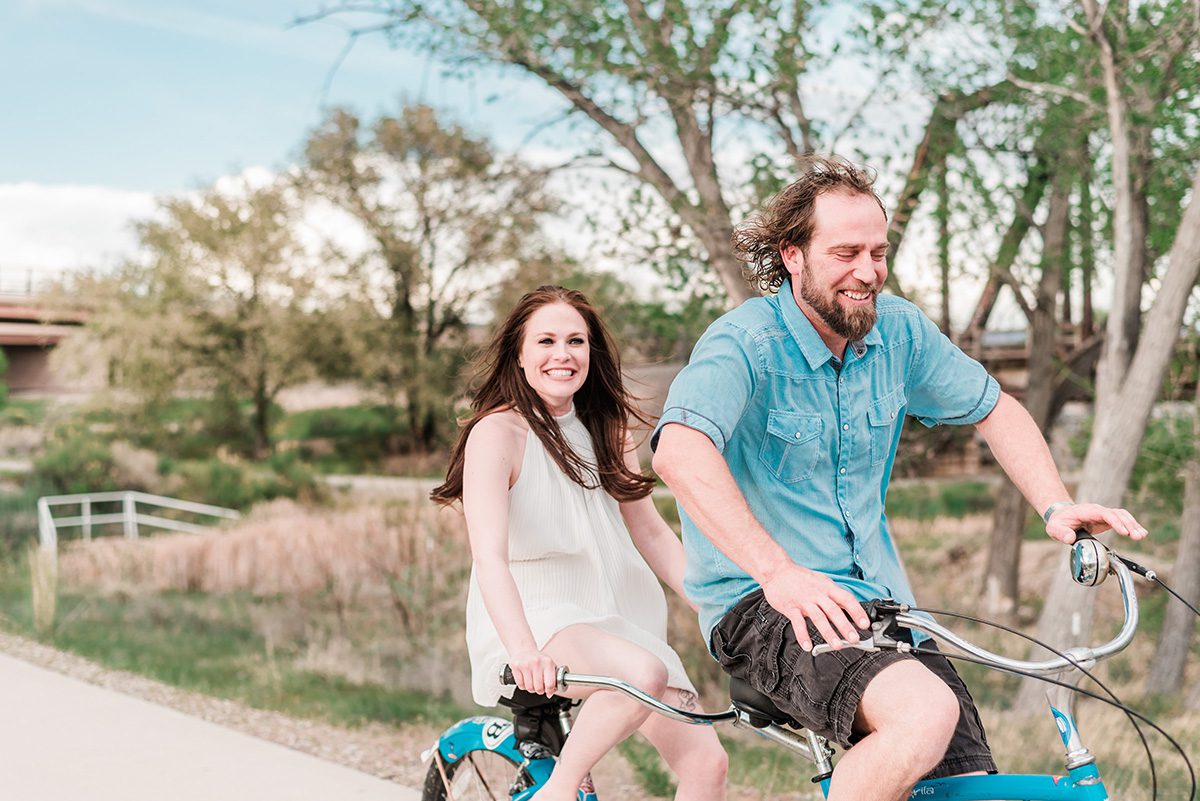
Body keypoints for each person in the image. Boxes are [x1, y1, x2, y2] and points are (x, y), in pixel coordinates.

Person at [651, 156, 1147, 801]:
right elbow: (679, 453)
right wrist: (778, 572)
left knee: (964, 787)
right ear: (793, 255)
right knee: (924, 715)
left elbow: (996, 408)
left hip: (880, 604)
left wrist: (1055, 505)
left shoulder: (900, 332)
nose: (867, 271)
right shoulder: (743, 344)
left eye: (877, 252)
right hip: (765, 603)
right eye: (845, 252)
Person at [431, 285, 727, 801]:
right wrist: (523, 650)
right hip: (541, 620)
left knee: (707, 763)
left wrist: (723, 603)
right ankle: (558, 791)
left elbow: (652, 533)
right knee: (642, 674)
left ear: (592, 352)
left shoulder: (607, 428)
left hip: (622, 617)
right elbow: (490, 558)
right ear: (519, 355)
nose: (562, 354)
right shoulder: (496, 434)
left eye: (576, 341)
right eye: (545, 341)